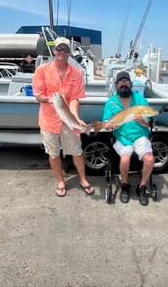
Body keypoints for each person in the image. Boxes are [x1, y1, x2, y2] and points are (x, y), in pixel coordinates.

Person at [32, 37, 94, 197]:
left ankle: (83, 179)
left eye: (66, 49)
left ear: (69, 52)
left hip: (68, 121)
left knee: (77, 151)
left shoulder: (76, 73)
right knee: (53, 153)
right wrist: (46, 99)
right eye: (59, 49)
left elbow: (74, 98)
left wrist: (76, 118)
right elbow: (38, 94)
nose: (62, 52)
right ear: (54, 51)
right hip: (48, 121)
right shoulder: (41, 70)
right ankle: (60, 181)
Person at [103, 71, 154, 206]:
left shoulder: (140, 100)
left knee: (149, 159)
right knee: (125, 160)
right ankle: (125, 184)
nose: (124, 83)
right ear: (116, 85)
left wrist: (141, 120)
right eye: (121, 81)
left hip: (140, 135)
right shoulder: (111, 102)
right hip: (122, 137)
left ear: (131, 84)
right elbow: (107, 123)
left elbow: (147, 123)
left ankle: (142, 186)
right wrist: (107, 125)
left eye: (126, 81)